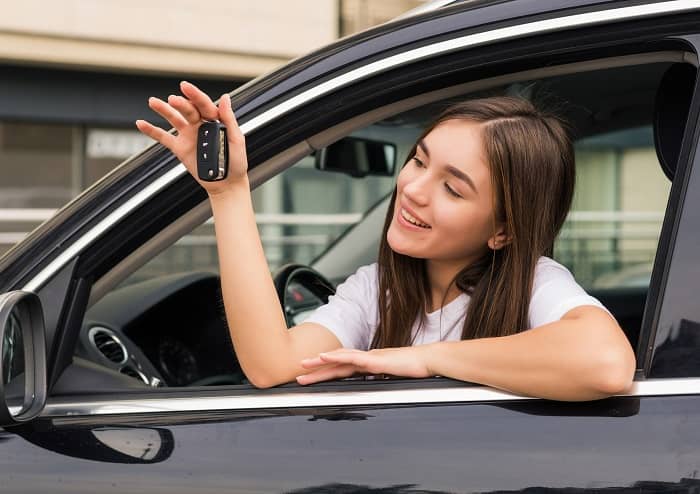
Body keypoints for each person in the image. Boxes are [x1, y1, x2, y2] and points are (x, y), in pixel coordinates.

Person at [136, 81, 636, 400]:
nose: (411, 188)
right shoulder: (378, 289)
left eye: (452, 188)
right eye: (418, 161)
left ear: (503, 230)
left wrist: (423, 359)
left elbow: (606, 364)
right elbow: (272, 366)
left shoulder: (535, 284)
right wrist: (228, 194)